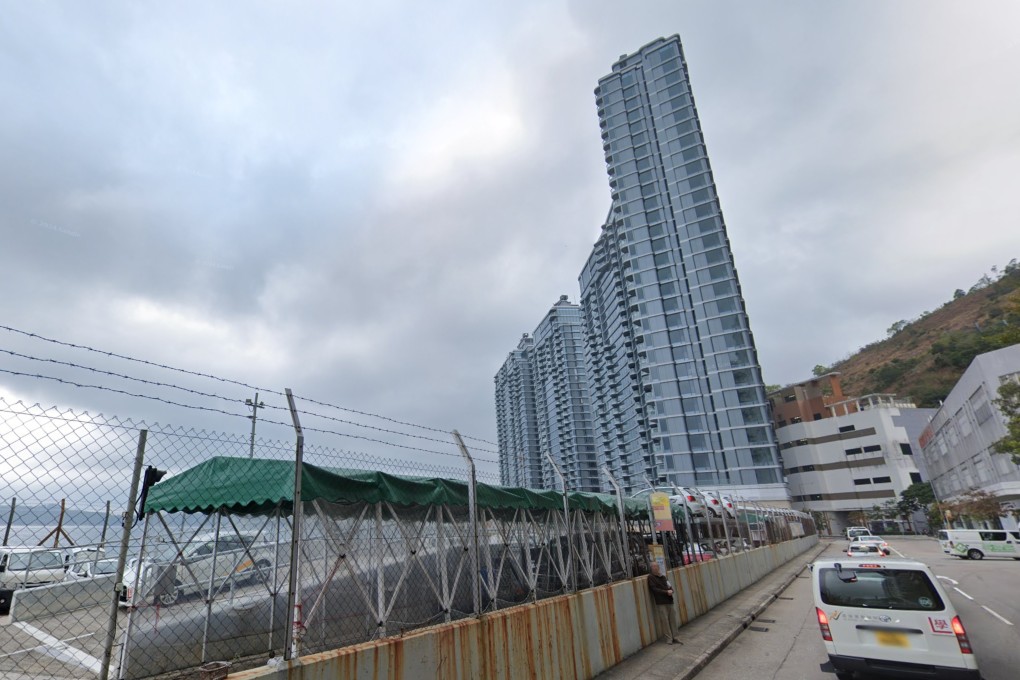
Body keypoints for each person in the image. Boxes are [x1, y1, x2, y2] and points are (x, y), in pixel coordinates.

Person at [647, 562, 682, 645]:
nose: (655, 568)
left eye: (656, 566)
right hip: (661, 602)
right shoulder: (651, 577)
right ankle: (669, 638)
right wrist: (666, 592)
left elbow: (669, 586)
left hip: (669, 600)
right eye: (654, 567)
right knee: (665, 620)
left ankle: (675, 637)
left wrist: (671, 591)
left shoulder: (663, 577)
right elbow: (654, 589)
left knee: (672, 619)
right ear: (651, 568)